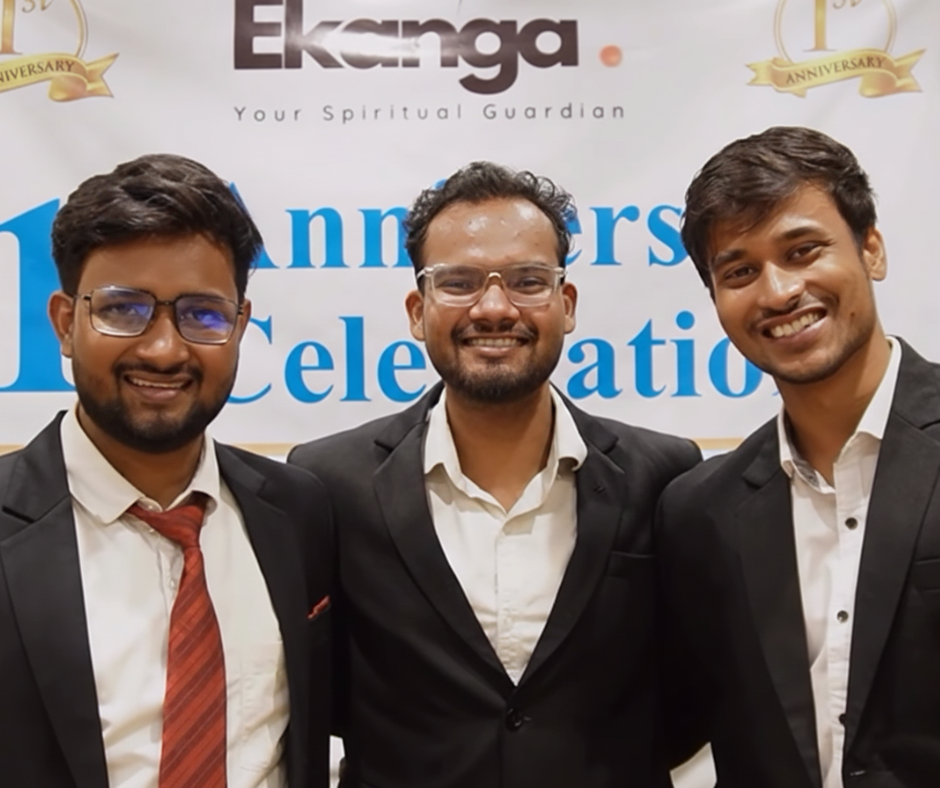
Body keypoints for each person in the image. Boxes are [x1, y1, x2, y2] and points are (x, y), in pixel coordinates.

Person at [289, 161, 701, 788]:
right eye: (457, 282)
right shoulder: (329, 482)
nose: (493, 307)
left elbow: (691, 694)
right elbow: (323, 694)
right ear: (416, 309)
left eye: (527, 280)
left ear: (566, 305)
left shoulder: (664, 476)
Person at [0, 154, 333, 788]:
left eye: (203, 314)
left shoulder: (299, 512)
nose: (163, 348)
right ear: (66, 324)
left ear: (239, 326)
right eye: (124, 310)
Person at [658, 125, 940, 788]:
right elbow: (678, 720)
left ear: (871, 248)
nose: (779, 292)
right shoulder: (699, 512)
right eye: (740, 271)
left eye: (803, 250)